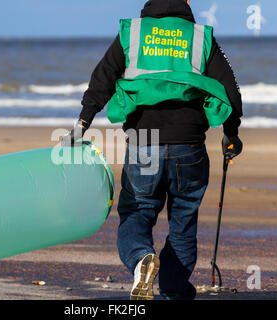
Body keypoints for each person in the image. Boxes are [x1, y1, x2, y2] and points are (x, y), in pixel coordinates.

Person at [62, 0, 243, 300]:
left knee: (136, 213)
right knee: (183, 222)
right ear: (185, 2)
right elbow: (230, 89)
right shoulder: (200, 37)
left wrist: (82, 123)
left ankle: (141, 260)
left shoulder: (132, 33)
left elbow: (102, 79)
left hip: (143, 141)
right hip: (190, 146)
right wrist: (231, 134)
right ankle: (173, 290)